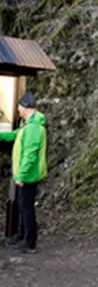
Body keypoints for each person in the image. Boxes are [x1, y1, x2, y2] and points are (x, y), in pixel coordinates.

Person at [1, 91, 47, 253]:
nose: (18, 110)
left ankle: (29, 243)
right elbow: (16, 135)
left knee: (27, 208)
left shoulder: (33, 127)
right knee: (23, 206)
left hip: (28, 175)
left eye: (19, 107)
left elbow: (30, 153)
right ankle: (22, 236)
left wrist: (21, 176)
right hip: (26, 175)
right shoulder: (28, 125)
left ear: (25, 108)